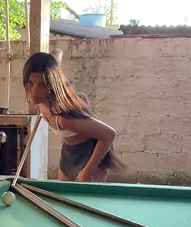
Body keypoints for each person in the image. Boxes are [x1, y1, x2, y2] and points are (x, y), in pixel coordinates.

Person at [23, 51, 120, 183]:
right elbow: (57, 54)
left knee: (85, 196)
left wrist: (88, 171)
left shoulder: (63, 118)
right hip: (68, 153)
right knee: (62, 194)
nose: (34, 91)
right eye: (30, 83)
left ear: (52, 85)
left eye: (42, 85)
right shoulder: (40, 103)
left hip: (90, 154)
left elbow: (109, 134)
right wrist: (53, 59)